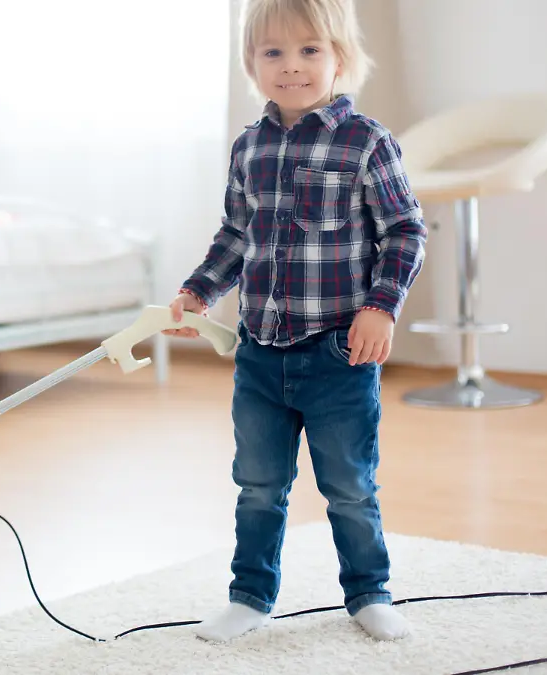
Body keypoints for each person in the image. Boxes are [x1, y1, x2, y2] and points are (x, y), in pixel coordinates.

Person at [165, 0, 427, 643]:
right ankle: (250, 596)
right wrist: (199, 291)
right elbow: (236, 234)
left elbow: (404, 232)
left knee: (349, 487)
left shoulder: (366, 141)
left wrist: (380, 307)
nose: (291, 66)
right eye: (273, 52)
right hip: (259, 355)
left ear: (341, 58)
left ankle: (369, 593)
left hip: (339, 353)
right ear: (251, 63)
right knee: (257, 485)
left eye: (310, 50)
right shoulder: (248, 147)